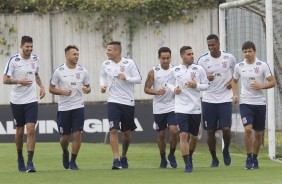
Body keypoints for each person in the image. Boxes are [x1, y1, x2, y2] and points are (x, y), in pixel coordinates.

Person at [3, 35, 45, 172]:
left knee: (31, 129)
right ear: (21, 46)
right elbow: (5, 80)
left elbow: (36, 75)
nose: (29, 49)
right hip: (16, 101)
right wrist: (18, 81)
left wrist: (42, 87)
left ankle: (30, 162)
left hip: (31, 100)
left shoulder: (35, 59)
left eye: (31, 46)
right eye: (27, 46)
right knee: (20, 131)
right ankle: (20, 157)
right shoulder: (13, 60)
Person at [232, 41, 275, 169]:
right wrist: (235, 95)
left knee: (258, 134)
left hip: (260, 103)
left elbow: (272, 82)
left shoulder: (262, 65)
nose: (247, 54)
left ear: (254, 51)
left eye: (249, 51)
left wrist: (261, 85)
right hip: (245, 102)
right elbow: (234, 82)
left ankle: (255, 158)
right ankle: (249, 157)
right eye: (245, 51)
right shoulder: (239, 66)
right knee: (248, 129)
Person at [100, 41, 142, 169]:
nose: (107, 52)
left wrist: (127, 78)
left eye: (109, 50)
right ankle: (116, 159)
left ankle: (124, 155)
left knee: (127, 133)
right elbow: (102, 76)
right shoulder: (105, 64)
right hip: (113, 101)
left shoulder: (129, 63)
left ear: (117, 51)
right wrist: (102, 85)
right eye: (107, 50)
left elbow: (139, 79)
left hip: (127, 102)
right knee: (113, 130)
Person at [49, 45, 91, 170]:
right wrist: (62, 92)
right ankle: (65, 151)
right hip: (64, 108)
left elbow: (88, 88)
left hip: (78, 106)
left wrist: (87, 89)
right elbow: (51, 88)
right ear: (67, 56)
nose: (77, 56)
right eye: (74, 54)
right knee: (64, 138)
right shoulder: (59, 71)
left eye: (78, 54)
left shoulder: (83, 71)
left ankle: (73, 161)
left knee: (77, 134)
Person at [197, 34, 236, 167]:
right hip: (208, 99)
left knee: (226, 129)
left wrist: (231, 82)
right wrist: (206, 77)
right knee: (211, 131)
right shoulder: (202, 60)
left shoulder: (229, 58)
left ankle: (225, 150)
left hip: (225, 98)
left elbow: (237, 75)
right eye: (209, 45)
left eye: (213, 45)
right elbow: (196, 79)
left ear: (218, 44)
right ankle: (214, 157)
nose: (211, 47)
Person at [172, 46, 209, 172]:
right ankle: (187, 163)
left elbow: (206, 85)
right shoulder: (175, 69)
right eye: (189, 54)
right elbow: (168, 83)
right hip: (180, 108)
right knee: (183, 134)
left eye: (192, 53)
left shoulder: (199, 69)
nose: (192, 56)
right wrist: (174, 89)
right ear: (182, 56)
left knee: (193, 137)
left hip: (195, 108)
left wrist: (196, 85)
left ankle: (190, 156)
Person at [144, 47, 178, 169]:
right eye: (163, 58)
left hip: (173, 106)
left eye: (168, 58)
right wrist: (156, 92)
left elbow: (180, 84)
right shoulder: (153, 71)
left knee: (174, 131)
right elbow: (146, 88)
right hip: (159, 107)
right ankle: (163, 158)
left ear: (170, 57)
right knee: (162, 134)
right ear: (159, 58)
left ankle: (172, 155)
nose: (166, 60)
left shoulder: (175, 70)